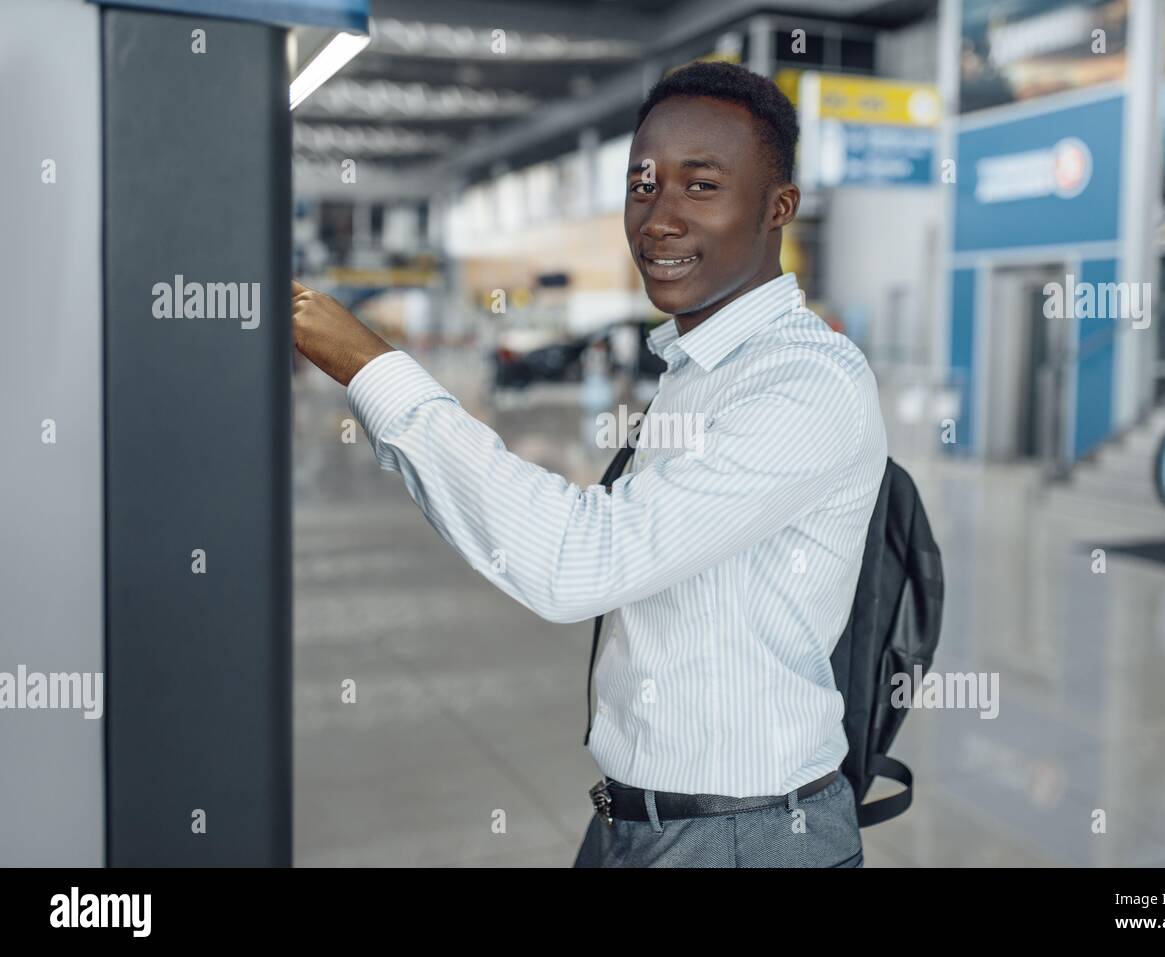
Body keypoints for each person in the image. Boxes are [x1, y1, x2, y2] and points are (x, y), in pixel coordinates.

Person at [291, 61, 888, 868]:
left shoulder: (804, 383)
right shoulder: (697, 366)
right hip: (634, 820)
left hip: (744, 839)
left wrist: (371, 366)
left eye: (700, 186)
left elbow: (578, 560)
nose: (658, 218)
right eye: (643, 184)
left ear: (778, 207)